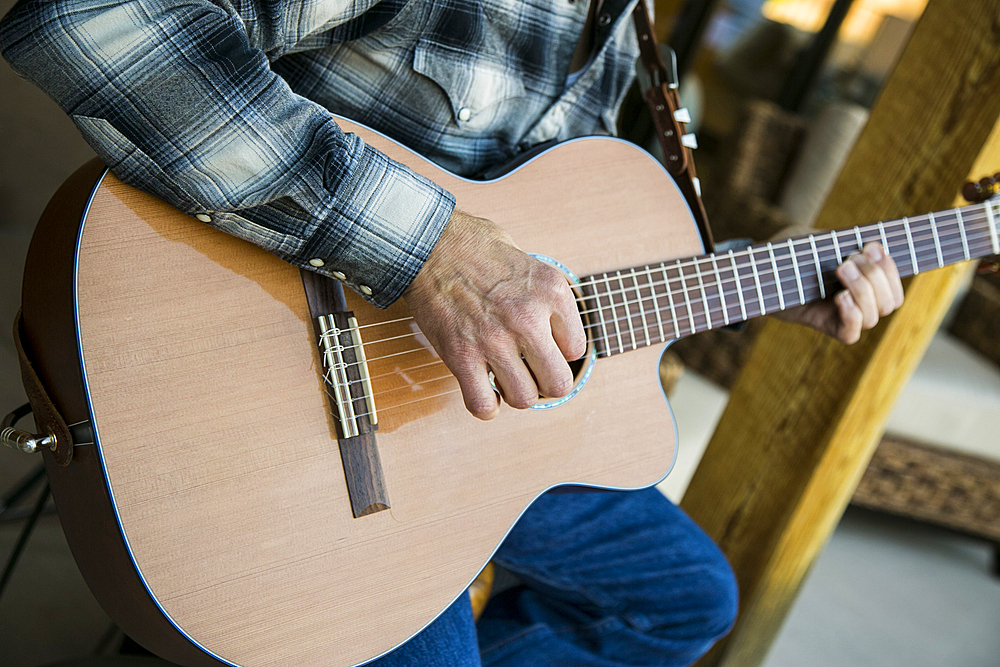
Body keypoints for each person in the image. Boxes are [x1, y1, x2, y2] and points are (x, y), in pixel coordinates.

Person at [0, 1, 904, 665]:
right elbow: (90, 18)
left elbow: (568, 240)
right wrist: (429, 250)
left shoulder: (626, 30)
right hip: (282, 417)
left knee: (680, 602)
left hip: (451, 433)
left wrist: (764, 277)